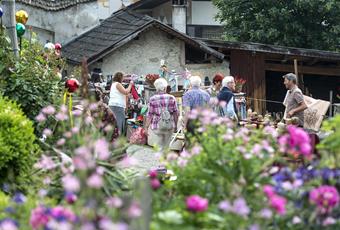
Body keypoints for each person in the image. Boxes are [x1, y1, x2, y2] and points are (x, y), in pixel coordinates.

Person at [146, 78, 179, 150]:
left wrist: (146, 127)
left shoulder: (153, 99)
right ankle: (165, 155)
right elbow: (176, 113)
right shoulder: (172, 98)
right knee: (167, 143)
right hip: (169, 125)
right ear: (165, 87)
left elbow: (150, 114)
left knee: (160, 143)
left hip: (157, 126)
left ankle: (161, 155)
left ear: (156, 88)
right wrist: (176, 126)